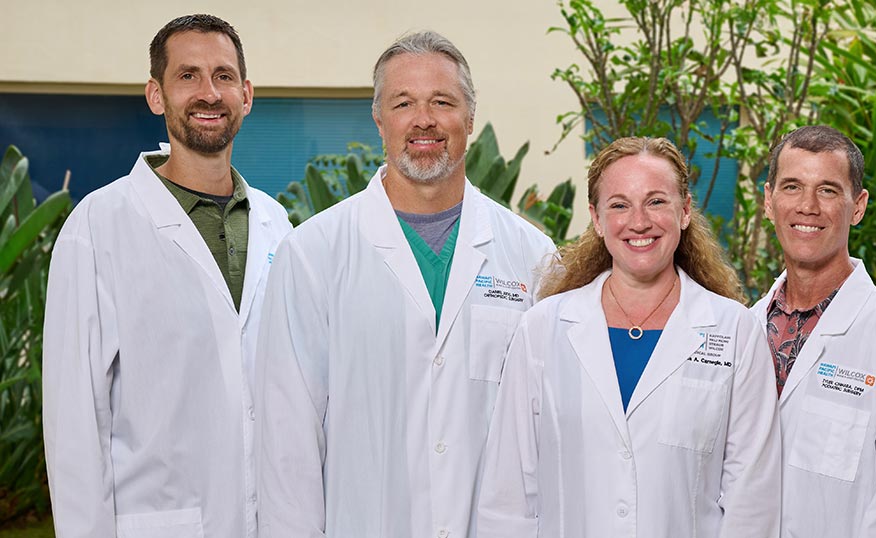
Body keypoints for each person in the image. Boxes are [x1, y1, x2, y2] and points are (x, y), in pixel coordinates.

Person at [254, 31, 556, 537]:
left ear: (470, 118)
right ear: (379, 120)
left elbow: (551, 429)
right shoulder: (312, 255)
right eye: (403, 103)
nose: (424, 120)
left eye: (442, 101)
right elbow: (287, 445)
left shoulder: (531, 258)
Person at [42, 14, 292, 538]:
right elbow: (75, 425)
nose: (209, 93)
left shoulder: (276, 223)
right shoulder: (98, 225)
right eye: (188, 76)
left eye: (224, 76)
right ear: (156, 95)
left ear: (246, 95)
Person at [476, 137, 781, 538]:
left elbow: (751, 502)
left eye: (656, 201)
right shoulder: (543, 329)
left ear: (685, 211)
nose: (639, 221)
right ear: (597, 219)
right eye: (619, 205)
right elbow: (508, 496)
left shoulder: (735, 331)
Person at [748, 125, 876, 537]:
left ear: (857, 207)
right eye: (792, 187)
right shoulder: (742, 330)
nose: (807, 206)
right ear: (768, 201)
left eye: (827, 190)